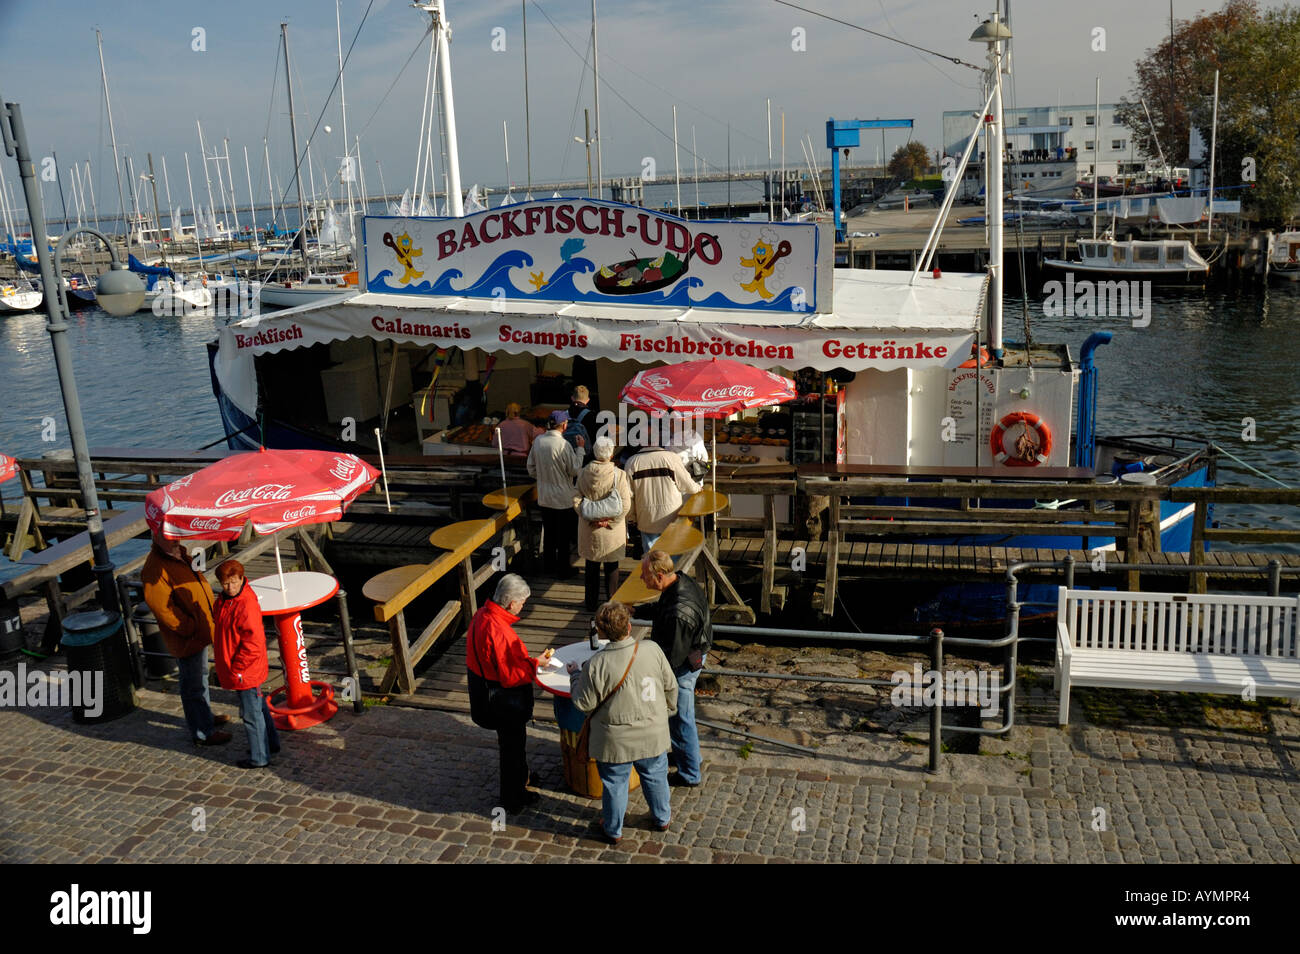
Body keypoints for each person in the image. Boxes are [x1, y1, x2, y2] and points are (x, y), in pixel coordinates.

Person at [569, 601, 677, 844]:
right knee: (656, 776)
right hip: (652, 731)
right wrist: (668, 711)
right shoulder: (652, 649)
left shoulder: (596, 664)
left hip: (615, 741)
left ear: (602, 632)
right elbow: (671, 685)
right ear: (629, 627)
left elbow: (583, 704)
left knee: (615, 785)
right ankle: (662, 818)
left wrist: (575, 675)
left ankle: (613, 829)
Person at [465, 574, 553, 813]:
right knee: (512, 747)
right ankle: (513, 797)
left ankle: (521, 778)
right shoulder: (501, 632)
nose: (523, 606)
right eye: (522, 602)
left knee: (512, 745)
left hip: (482, 691)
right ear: (511, 603)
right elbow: (512, 674)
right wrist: (535, 666)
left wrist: (533, 662)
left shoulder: (481, 615)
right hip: (502, 701)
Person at [141, 530, 231, 747]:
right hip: (187, 636)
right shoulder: (155, 567)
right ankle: (202, 732)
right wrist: (189, 627)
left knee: (200, 677)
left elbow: (195, 578)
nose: (175, 538)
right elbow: (162, 609)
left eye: (175, 534)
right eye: (168, 535)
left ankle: (205, 717)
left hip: (199, 630)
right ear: (155, 537)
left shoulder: (179, 553)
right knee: (192, 684)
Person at [634, 550, 711, 787]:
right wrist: (636, 611)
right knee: (682, 718)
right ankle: (689, 758)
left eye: (644, 575)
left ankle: (689, 773)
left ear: (659, 576)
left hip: (683, 666)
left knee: (680, 719)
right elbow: (662, 611)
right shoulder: (678, 580)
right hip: (693, 652)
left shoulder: (680, 612)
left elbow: (671, 660)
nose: (640, 579)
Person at [212, 559, 280, 769]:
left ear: (241, 579)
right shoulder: (225, 600)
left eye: (233, 582)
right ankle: (270, 744)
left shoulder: (244, 604)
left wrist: (238, 668)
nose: (230, 587)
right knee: (258, 707)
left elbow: (253, 643)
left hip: (244, 669)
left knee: (251, 714)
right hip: (241, 667)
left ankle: (259, 757)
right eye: (225, 584)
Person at [573, 435, 633, 610]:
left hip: (589, 528)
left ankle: (590, 604)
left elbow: (576, 498)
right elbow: (626, 504)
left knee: (591, 565)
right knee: (612, 567)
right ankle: (612, 605)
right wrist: (611, 522)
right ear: (612, 453)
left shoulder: (583, 472)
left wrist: (587, 517)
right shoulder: (619, 475)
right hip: (611, 532)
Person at [527, 410, 584, 577]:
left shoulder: (538, 441)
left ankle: (549, 567)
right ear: (564, 425)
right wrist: (580, 450)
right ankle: (563, 569)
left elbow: (530, 468)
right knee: (563, 537)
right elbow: (574, 470)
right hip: (563, 497)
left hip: (545, 497)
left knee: (550, 535)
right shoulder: (563, 445)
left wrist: (543, 478)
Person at [623, 439, 701, 552]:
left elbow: (629, 496)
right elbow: (688, 485)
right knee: (673, 554)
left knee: (652, 558)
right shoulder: (671, 458)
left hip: (646, 517)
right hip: (671, 516)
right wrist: (698, 488)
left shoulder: (631, 462)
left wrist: (632, 518)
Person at [565, 385, 595, 462]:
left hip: (567, 456)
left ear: (572, 398)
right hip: (586, 458)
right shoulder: (592, 416)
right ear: (588, 400)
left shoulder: (562, 415)